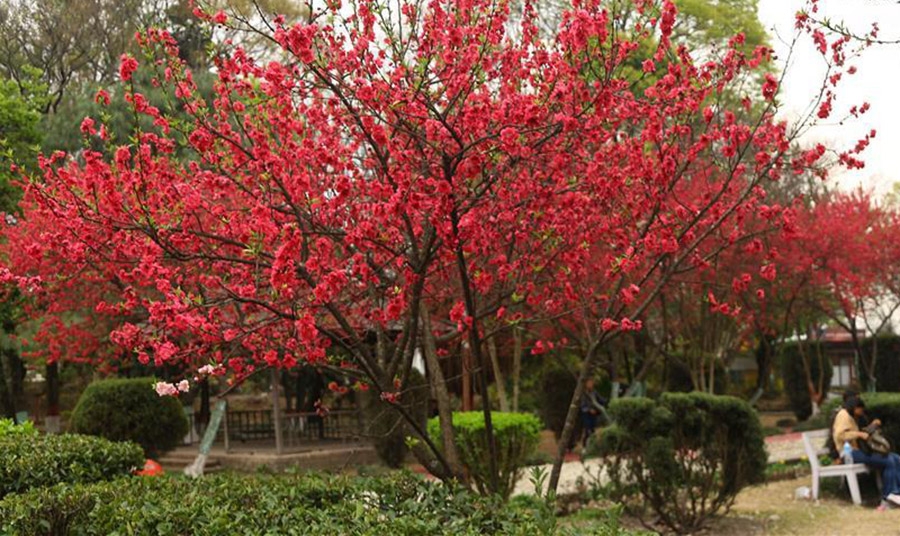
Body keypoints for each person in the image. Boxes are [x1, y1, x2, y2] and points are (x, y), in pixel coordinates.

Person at [833, 396, 900, 507]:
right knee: (888, 460)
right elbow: (840, 435)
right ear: (855, 407)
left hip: (858, 450)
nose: (862, 412)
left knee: (896, 458)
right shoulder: (843, 415)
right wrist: (859, 434)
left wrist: (872, 426)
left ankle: (896, 492)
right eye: (861, 409)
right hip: (849, 453)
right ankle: (889, 495)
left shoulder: (852, 416)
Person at [580, 378, 607, 448]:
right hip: (586, 413)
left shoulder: (594, 392)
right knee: (588, 430)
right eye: (589, 383)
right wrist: (589, 410)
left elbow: (600, 399)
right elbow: (583, 405)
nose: (591, 384)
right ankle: (585, 446)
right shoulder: (584, 393)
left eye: (592, 383)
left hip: (594, 413)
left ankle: (591, 446)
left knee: (592, 429)